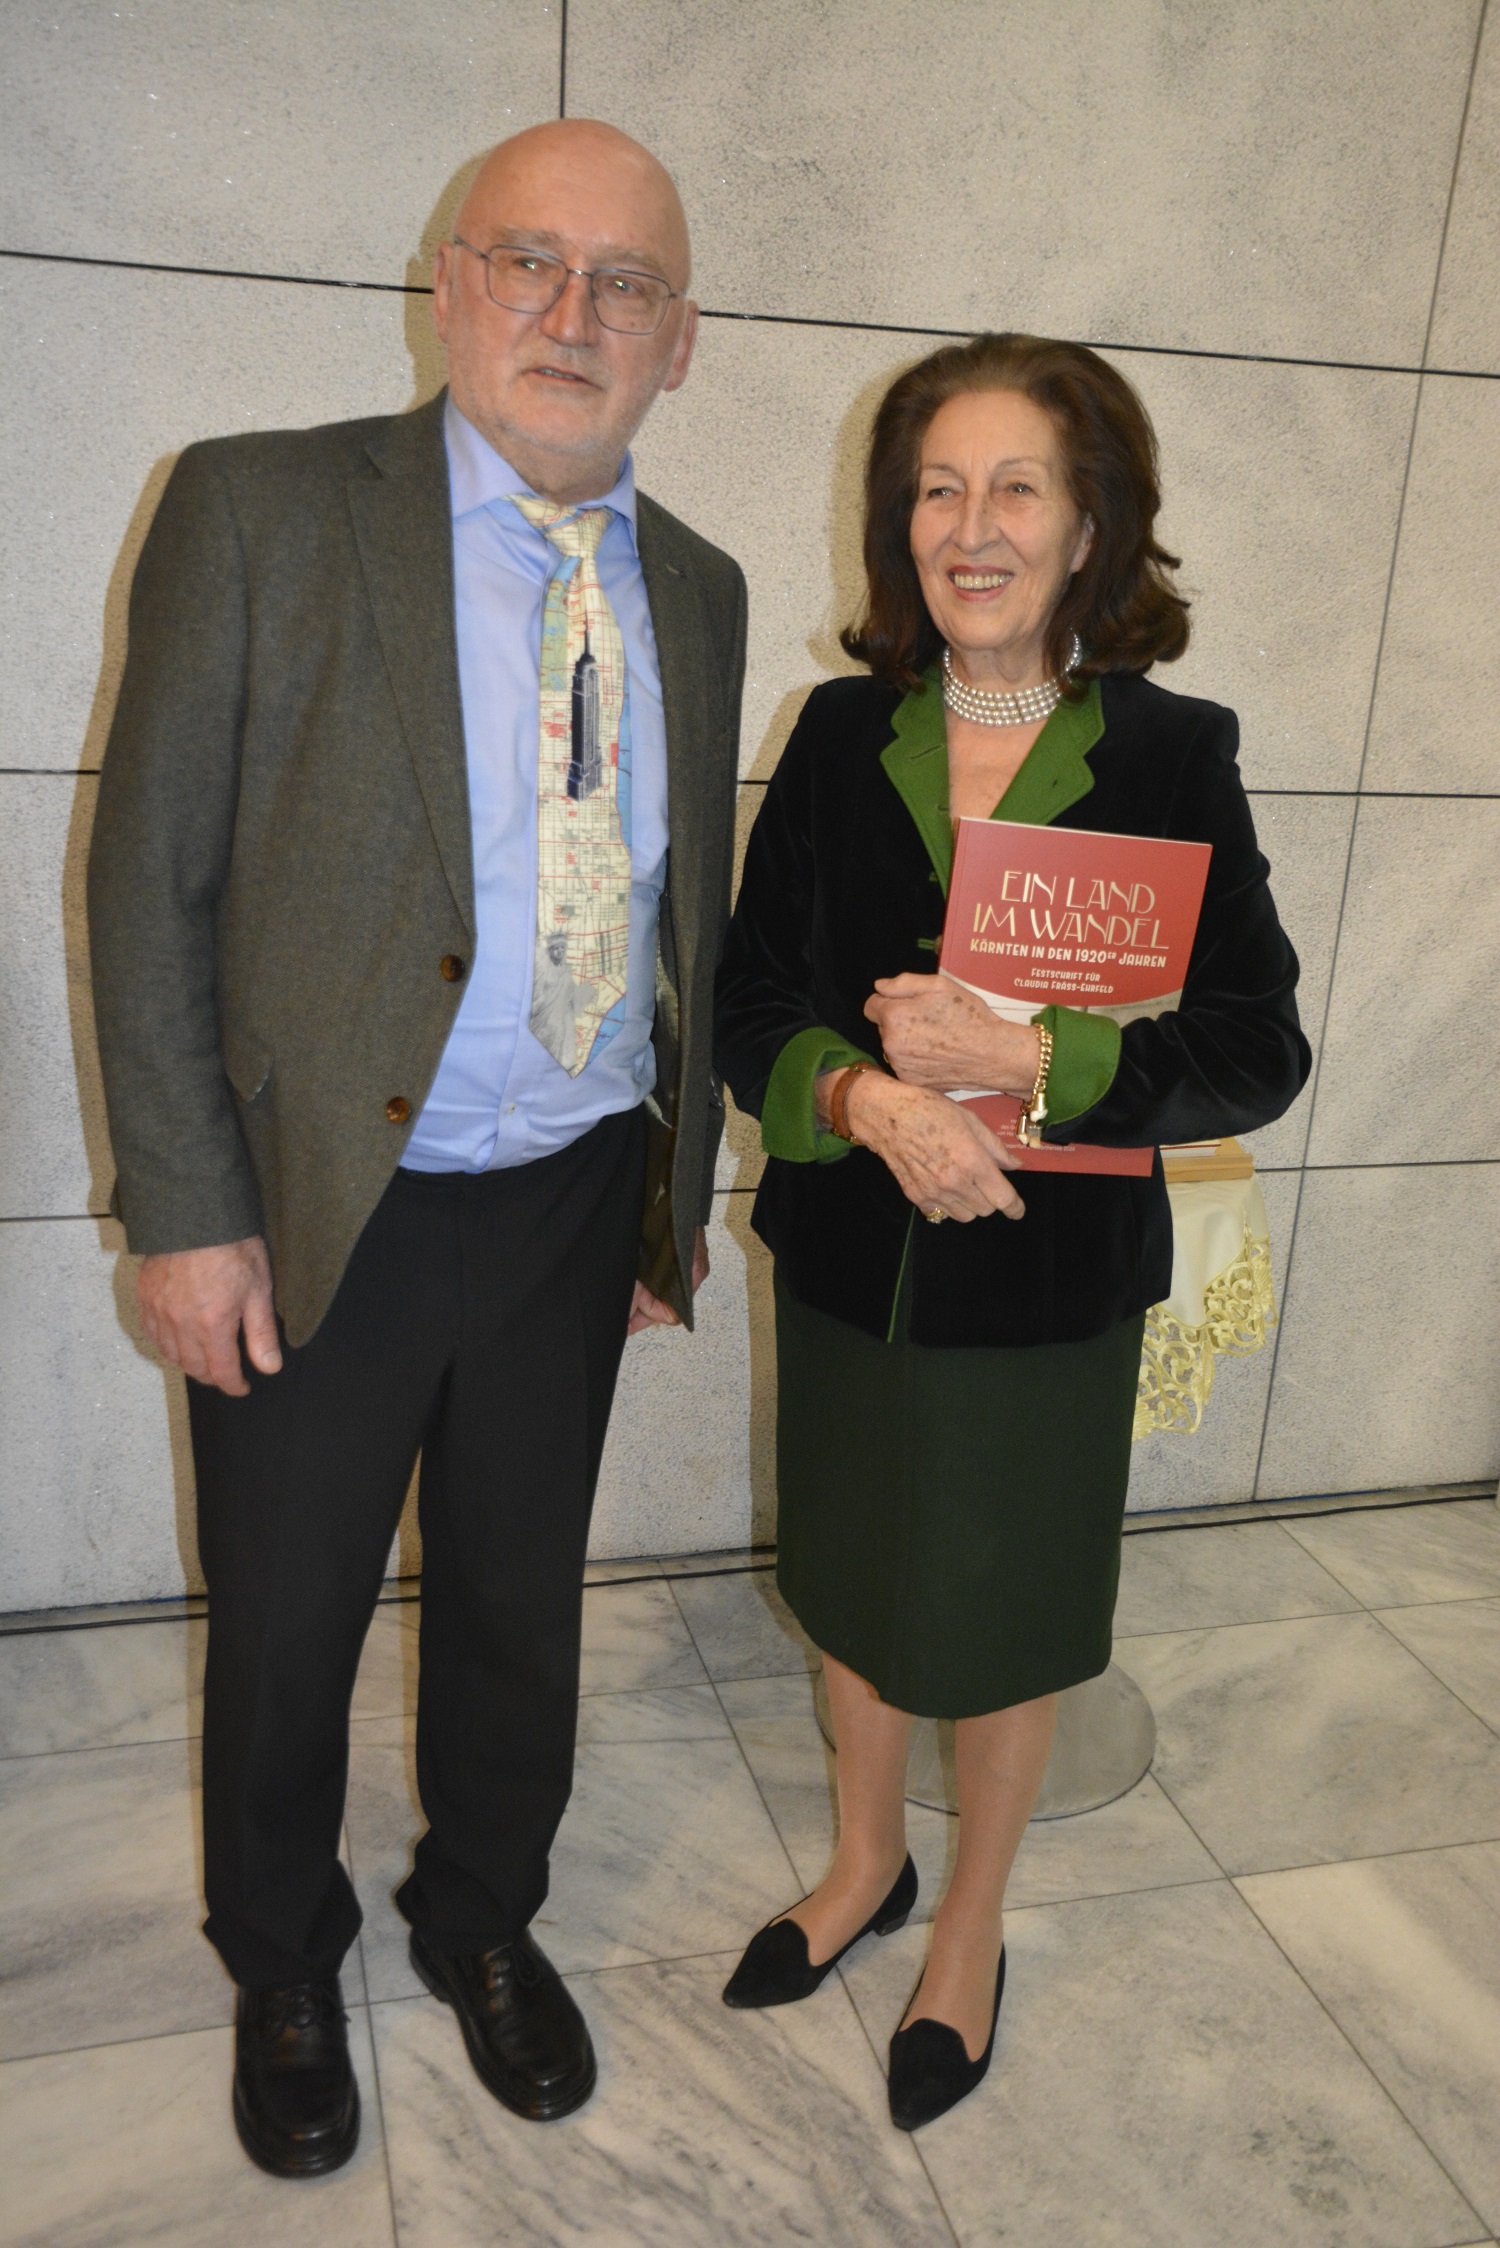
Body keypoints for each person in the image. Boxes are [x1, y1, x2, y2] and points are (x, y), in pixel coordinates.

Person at [87, 119, 746, 2177]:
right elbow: (148, 880)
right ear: (449, 286)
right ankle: (282, 1953)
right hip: (320, 1208)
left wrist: (666, 1203)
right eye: (529, 260)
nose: (573, 313)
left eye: (624, 282)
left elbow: (684, 913)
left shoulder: (701, 586)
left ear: (681, 341)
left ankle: (481, 1916)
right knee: (287, 1619)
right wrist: (186, 1211)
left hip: (571, 1193)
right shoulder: (261, 508)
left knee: (521, 1606)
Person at [714, 333, 1309, 2131]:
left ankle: (968, 1920)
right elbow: (748, 1003)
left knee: (1011, 1602)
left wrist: (1038, 1062)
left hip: (1049, 1283)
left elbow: (1258, 1048)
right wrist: (864, 1099)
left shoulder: (1172, 754)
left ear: (1090, 526)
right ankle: (866, 1863)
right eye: (936, 489)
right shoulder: (839, 734)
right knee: (850, 1571)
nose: (969, 527)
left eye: (1016, 488)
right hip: (852, 1257)